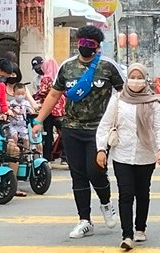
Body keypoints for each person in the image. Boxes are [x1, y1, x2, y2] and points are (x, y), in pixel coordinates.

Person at [35, 25, 123, 239]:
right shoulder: (67, 67)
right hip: (72, 128)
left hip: (99, 130)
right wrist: (39, 120)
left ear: (97, 47)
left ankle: (105, 202)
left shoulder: (108, 66)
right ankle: (84, 220)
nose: (84, 48)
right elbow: (54, 95)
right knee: (78, 175)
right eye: (81, 43)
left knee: (95, 171)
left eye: (90, 45)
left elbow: (124, 94)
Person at [98, 63, 160, 250]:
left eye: (139, 77)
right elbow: (105, 125)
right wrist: (101, 149)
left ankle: (140, 228)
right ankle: (127, 234)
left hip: (146, 155)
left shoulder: (153, 102)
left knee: (142, 192)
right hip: (122, 154)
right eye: (132, 76)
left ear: (145, 79)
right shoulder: (118, 99)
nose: (135, 81)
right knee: (126, 193)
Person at [32, 55, 63, 163]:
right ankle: (64, 157)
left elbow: (42, 93)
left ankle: (47, 157)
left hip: (48, 109)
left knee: (48, 134)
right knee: (62, 133)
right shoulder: (60, 78)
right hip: (60, 110)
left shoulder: (46, 79)